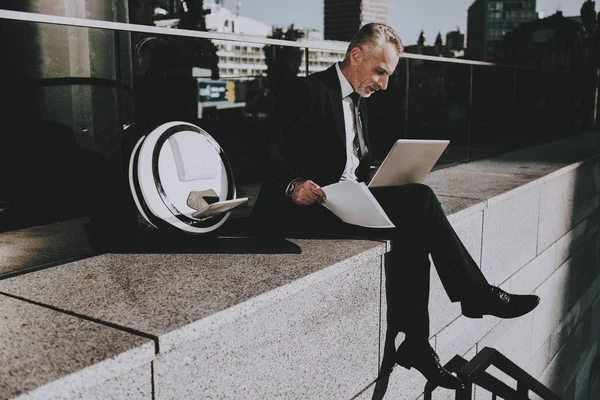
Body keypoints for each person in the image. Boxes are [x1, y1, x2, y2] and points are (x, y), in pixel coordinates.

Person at [251, 23, 540, 389]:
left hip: (345, 199)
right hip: (305, 206)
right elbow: (261, 143)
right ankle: (470, 299)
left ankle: (418, 343)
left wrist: (377, 176)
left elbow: (346, 162)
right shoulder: (308, 91)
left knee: (414, 219)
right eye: (379, 71)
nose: (384, 84)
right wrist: (292, 184)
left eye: (387, 74)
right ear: (356, 56)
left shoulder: (359, 100)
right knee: (419, 202)